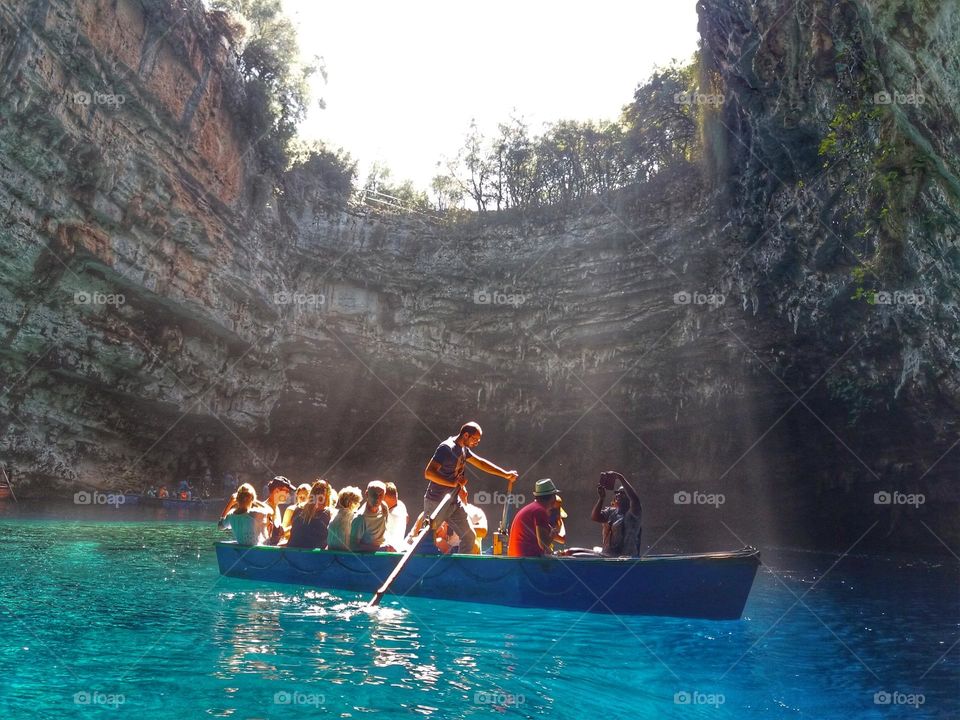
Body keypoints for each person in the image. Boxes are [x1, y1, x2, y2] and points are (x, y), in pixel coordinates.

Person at [423, 422, 518, 556]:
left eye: (478, 441)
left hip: (454, 501)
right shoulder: (446, 448)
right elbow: (429, 473)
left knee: (469, 537)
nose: (476, 443)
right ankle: (426, 571)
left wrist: (505, 474)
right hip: (436, 501)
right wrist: (454, 483)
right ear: (466, 435)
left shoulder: (463, 449)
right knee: (427, 537)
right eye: (475, 439)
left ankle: (459, 570)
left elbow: (480, 462)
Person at [591, 471, 642, 556]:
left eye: (622, 493)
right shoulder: (611, 512)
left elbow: (635, 499)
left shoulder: (633, 514)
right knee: (571, 551)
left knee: (577, 556)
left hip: (624, 557)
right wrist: (601, 498)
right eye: (617, 492)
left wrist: (620, 477)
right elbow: (595, 517)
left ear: (628, 498)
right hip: (606, 554)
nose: (618, 494)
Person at [508, 479, 559, 557]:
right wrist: (553, 534)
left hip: (517, 559)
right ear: (552, 498)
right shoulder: (540, 511)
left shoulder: (533, 508)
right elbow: (543, 544)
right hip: (527, 561)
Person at [351, 481, 395, 552]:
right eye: (374, 494)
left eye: (380, 495)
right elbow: (353, 547)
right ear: (366, 494)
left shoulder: (384, 507)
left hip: (383, 554)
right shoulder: (360, 518)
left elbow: (384, 532)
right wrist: (378, 548)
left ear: (384, 496)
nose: (377, 499)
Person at [288, 480, 332, 549]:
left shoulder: (298, 508)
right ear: (328, 496)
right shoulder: (328, 513)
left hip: (292, 553)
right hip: (315, 556)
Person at [327, 486, 363, 551]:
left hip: (332, 555)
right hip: (345, 556)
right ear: (350, 503)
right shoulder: (352, 517)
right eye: (357, 502)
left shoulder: (335, 515)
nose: (359, 505)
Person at [263, 476, 295, 545]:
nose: (288, 494)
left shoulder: (276, 508)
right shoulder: (265, 510)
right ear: (277, 491)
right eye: (286, 491)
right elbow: (268, 538)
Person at [383, 482, 409, 549]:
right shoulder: (401, 504)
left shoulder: (383, 513)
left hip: (387, 551)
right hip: (398, 549)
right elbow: (407, 518)